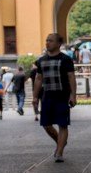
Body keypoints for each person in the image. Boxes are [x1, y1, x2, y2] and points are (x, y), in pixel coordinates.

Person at [33, 33, 76, 162]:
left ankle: (59, 152)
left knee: (63, 124)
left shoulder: (66, 59)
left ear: (58, 44)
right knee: (46, 124)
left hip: (62, 96)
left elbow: (71, 77)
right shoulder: (41, 60)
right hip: (47, 96)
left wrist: (73, 95)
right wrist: (35, 96)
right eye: (46, 40)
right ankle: (61, 142)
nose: (47, 43)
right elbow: (38, 79)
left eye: (50, 41)